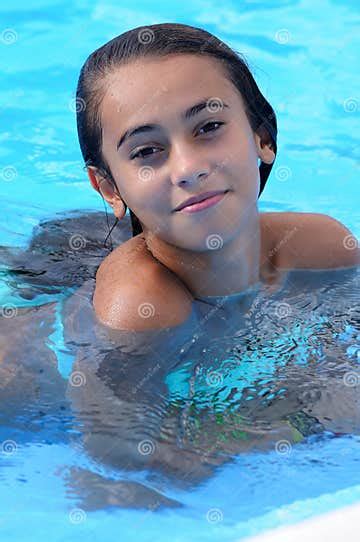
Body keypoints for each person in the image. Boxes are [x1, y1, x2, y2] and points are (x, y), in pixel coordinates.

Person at [75, 22, 359, 331]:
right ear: (109, 188)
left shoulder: (322, 248)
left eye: (209, 127)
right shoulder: (139, 309)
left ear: (262, 139)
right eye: (146, 151)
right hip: (52, 277)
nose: (188, 169)